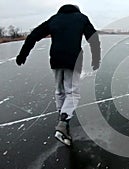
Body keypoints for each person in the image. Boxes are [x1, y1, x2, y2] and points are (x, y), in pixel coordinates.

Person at [15, 4, 101, 146]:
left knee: (60, 91)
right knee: (72, 93)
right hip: (73, 60)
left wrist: (22, 55)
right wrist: (96, 58)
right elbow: (93, 38)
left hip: (56, 60)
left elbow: (33, 36)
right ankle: (63, 122)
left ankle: (62, 120)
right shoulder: (81, 18)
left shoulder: (54, 19)